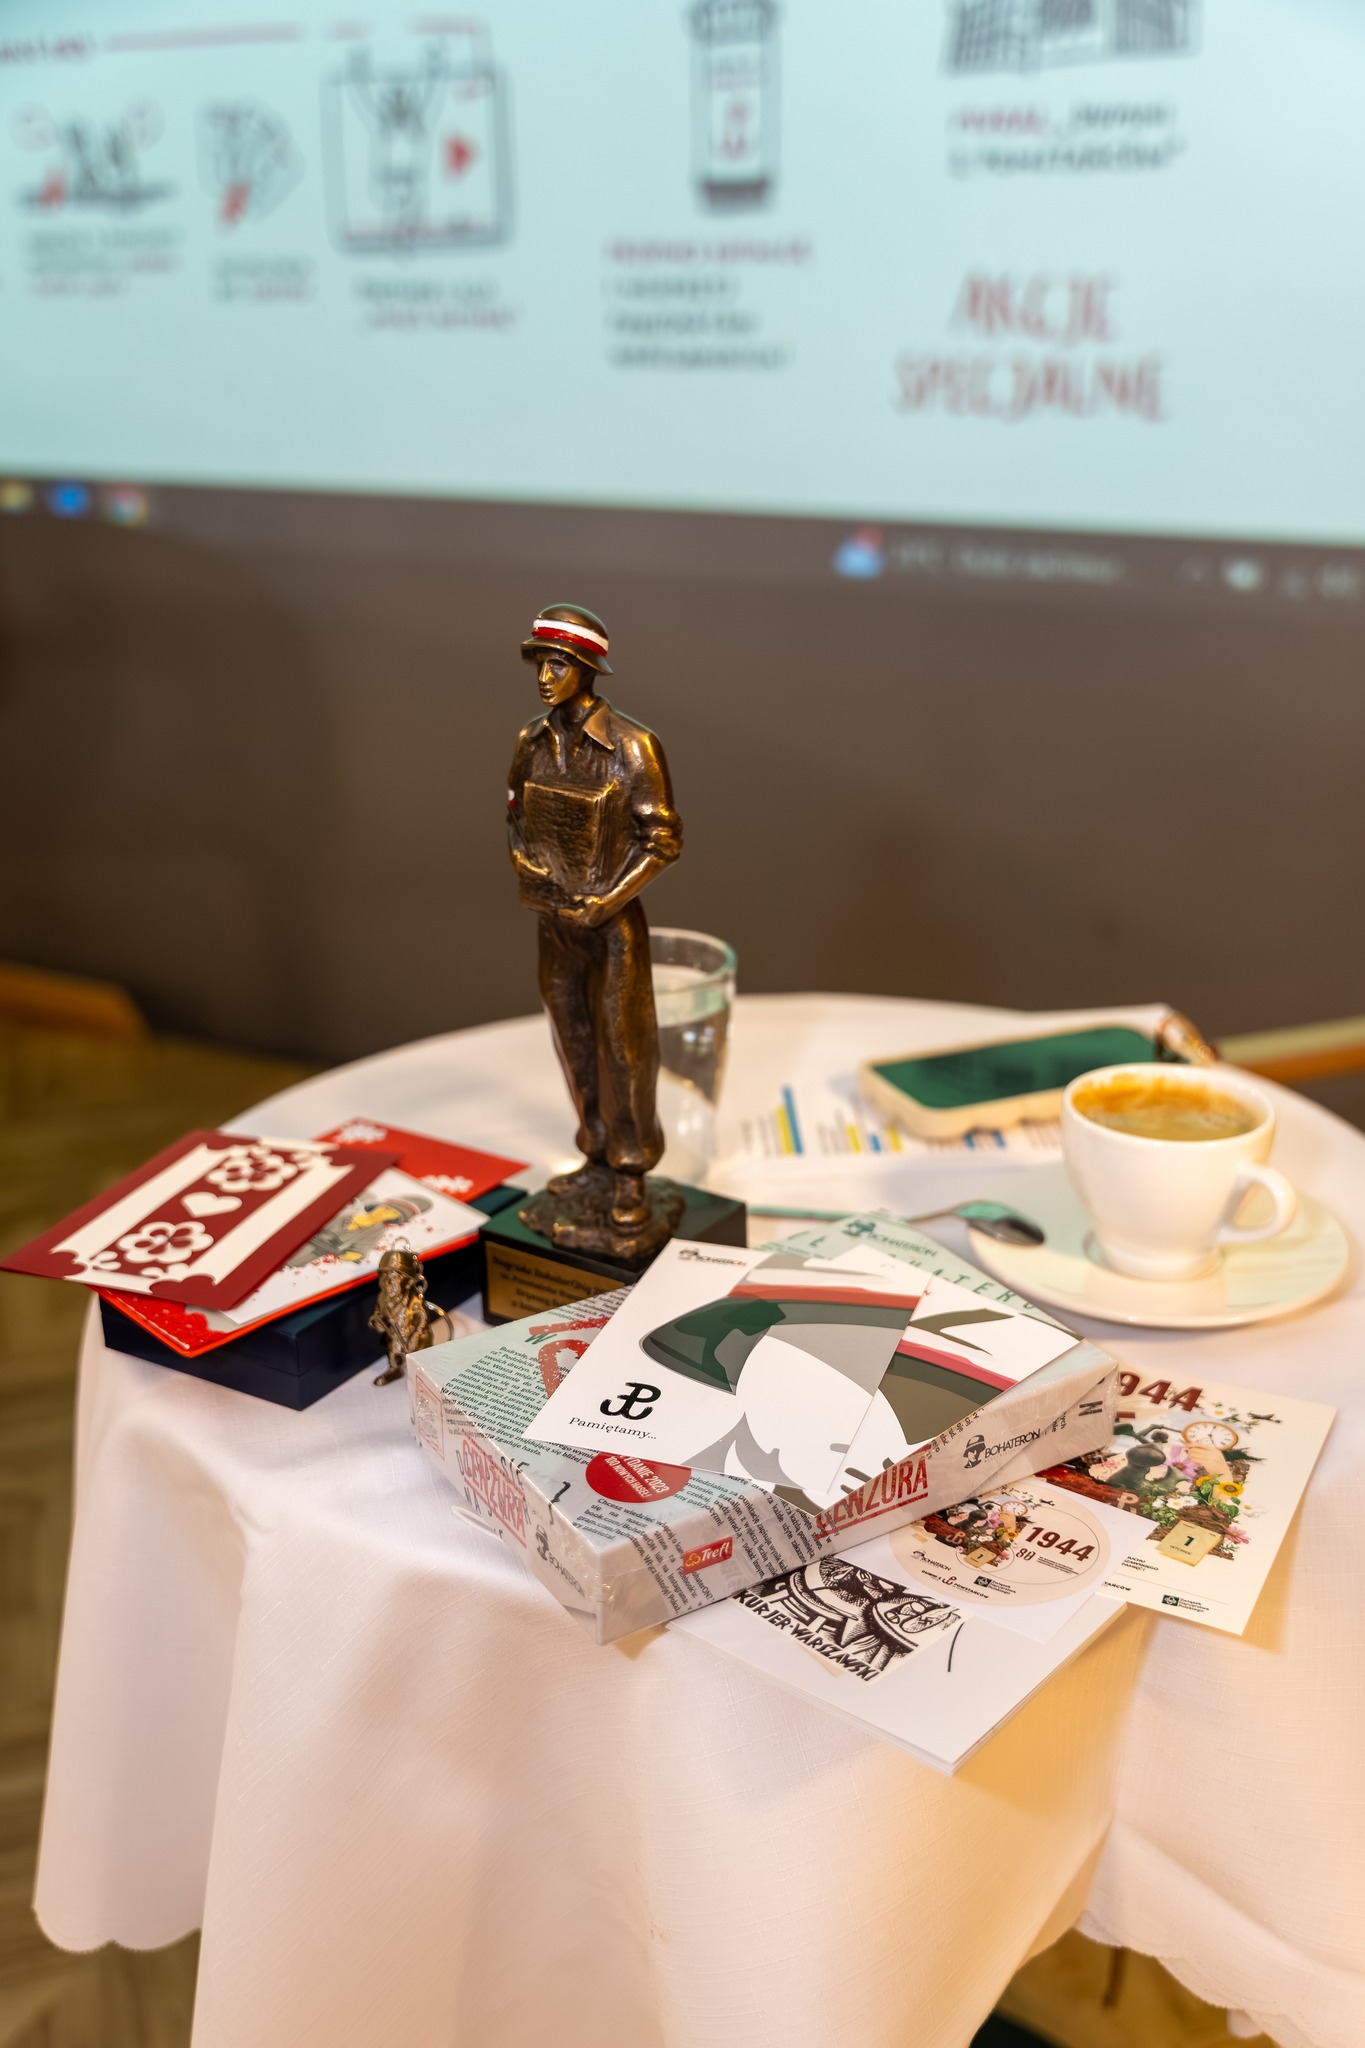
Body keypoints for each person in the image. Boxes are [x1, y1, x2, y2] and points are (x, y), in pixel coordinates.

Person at [508, 602, 683, 1240]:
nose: (544, 677)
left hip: (611, 928)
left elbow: (662, 841)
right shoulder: (531, 742)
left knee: (624, 1049)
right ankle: (596, 1155)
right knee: (573, 1041)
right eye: (538, 664)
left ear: (586, 668)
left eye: (557, 664)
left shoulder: (633, 747)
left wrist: (606, 902)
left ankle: (631, 1170)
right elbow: (514, 819)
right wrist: (528, 867)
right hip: (553, 922)